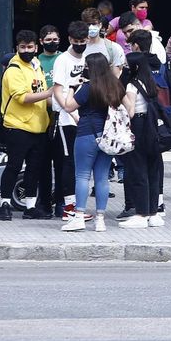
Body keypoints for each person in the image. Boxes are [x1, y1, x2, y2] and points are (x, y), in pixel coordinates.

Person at [52, 52, 135, 232]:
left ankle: (79, 217)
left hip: (86, 134)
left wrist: (73, 87)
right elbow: (130, 108)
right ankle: (100, 220)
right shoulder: (115, 86)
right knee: (102, 178)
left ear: (90, 68)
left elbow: (68, 106)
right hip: (107, 137)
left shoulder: (87, 87)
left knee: (82, 176)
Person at [0, 30, 53, 221]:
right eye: (23, 47)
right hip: (17, 126)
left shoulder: (36, 66)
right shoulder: (14, 69)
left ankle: (30, 206)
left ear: (36, 47)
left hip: (39, 126)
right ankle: (4, 204)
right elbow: (23, 98)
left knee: (34, 168)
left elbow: (40, 91)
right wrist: (50, 93)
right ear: (17, 48)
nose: (26, 50)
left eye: (30, 47)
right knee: (14, 166)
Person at [120, 29, 168, 226]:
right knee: (153, 168)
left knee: (137, 169)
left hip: (138, 125)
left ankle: (141, 214)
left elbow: (130, 111)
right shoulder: (150, 81)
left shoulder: (132, 85)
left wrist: (120, 95)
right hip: (153, 127)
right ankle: (154, 213)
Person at [49, 24, 90, 219]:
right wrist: (68, 109)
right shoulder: (62, 60)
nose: (80, 45)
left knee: (82, 163)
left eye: (83, 42)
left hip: (86, 116)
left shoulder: (89, 58)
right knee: (69, 162)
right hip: (67, 118)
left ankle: (79, 205)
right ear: (70, 39)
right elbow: (57, 89)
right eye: (76, 42)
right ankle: (68, 207)